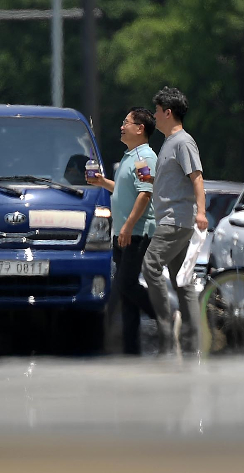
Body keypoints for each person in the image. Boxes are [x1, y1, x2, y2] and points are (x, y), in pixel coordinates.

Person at [140, 86, 207, 354]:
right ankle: (193, 340)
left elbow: (197, 177)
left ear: (168, 112)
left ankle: (167, 327)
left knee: (150, 266)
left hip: (176, 221)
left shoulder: (183, 142)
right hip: (172, 219)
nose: (154, 117)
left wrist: (201, 212)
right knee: (183, 279)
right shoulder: (168, 143)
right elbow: (173, 182)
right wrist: (151, 180)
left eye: (157, 112)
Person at [86, 107, 158, 355]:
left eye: (126, 122)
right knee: (127, 296)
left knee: (126, 284)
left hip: (136, 232)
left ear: (140, 129)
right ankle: (131, 348)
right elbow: (125, 190)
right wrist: (102, 183)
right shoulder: (130, 156)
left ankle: (166, 317)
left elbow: (145, 193)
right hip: (123, 233)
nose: (121, 126)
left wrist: (127, 227)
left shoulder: (144, 158)